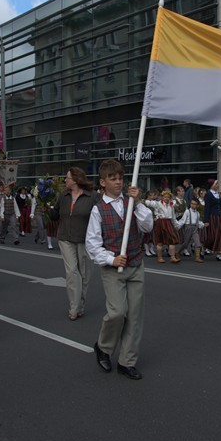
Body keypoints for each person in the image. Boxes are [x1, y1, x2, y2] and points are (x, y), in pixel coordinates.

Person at [87, 159, 153, 380]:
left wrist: (138, 201)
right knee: (117, 313)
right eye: (112, 179)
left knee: (134, 317)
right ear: (103, 182)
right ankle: (104, 347)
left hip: (135, 264)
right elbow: (92, 245)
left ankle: (127, 361)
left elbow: (147, 226)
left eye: (120, 178)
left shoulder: (131, 202)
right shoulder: (98, 210)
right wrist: (111, 259)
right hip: (113, 268)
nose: (118, 182)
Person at [50, 167, 98, 321]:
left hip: (85, 239)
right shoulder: (63, 196)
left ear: (76, 180)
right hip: (65, 237)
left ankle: (80, 306)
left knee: (84, 275)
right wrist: (47, 207)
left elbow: (100, 218)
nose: (65, 180)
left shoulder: (93, 197)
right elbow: (55, 215)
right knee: (72, 272)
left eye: (67, 178)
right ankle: (74, 307)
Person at [144, 189, 181, 264]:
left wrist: (176, 225)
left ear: (170, 198)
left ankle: (173, 257)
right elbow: (147, 202)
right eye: (165, 197)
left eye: (168, 197)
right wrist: (150, 197)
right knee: (160, 242)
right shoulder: (158, 203)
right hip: (160, 223)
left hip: (168, 222)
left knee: (172, 241)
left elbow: (173, 217)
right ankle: (160, 257)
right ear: (162, 197)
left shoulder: (171, 206)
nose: (166, 198)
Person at [202, 179, 221, 261]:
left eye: (218, 184)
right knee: (212, 235)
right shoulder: (208, 194)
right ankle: (205, 248)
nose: (218, 185)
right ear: (212, 185)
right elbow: (207, 208)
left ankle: (219, 253)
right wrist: (206, 220)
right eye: (216, 184)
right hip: (212, 217)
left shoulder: (219, 194)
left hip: (219, 217)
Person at [176, 198, 205, 263]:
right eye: (192, 203)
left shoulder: (198, 213)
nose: (193, 205)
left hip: (195, 228)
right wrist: (178, 226)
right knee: (185, 243)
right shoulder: (187, 211)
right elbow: (183, 220)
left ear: (197, 205)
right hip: (188, 227)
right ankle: (178, 252)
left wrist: (202, 225)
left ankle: (197, 257)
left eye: (194, 204)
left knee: (198, 243)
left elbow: (198, 222)